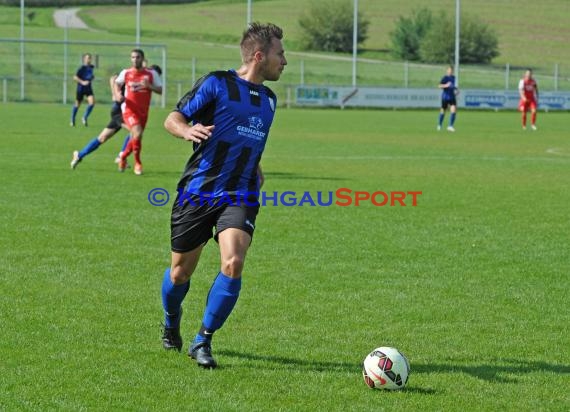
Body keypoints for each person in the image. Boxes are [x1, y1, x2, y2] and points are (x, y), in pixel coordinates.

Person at [160, 22, 286, 369]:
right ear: (259, 56)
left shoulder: (270, 101)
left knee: (233, 260)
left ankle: (203, 340)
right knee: (179, 274)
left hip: (240, 193)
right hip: (199, 192)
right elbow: (172, 118)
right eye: (280, 53)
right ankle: (171, 320)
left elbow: (252, 141)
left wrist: (256, 167)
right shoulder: (217, 83)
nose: (284, 61)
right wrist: (186, 129)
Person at [115, 49, 163, 175]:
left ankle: (123, 157)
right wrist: (117, 94)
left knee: (137, 136)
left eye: (137, 57)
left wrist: (149, 86)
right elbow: (117, 83)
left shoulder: (151, 74)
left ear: (142, 58)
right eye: (133, 57)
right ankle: (138, 163)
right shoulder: (126, 73)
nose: (135, 59)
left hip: (143, 111)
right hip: (129, 109)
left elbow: (160, 90)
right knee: (137, 132)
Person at [70, 53, 96, 127]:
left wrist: (92, 78)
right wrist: (82, 82)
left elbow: (89, 76)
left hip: (88, 88)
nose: (89, 59)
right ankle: (72, 119)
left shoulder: (91, 67)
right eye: (87, 58)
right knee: (77, 104)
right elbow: (75, 77)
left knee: (92, 103)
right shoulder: (82, 68)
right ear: (84, 59)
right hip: (81, 89)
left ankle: (84, 117)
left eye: (90, 58)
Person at [437, 66, 458, 132]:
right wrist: (446, 85)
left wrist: (457, 90)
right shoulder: (445, 78)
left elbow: (453, 86)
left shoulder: (454, 78)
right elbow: (439, 86)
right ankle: (439, 125)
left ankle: (450, 126)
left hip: (452, 97)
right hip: (445, 97)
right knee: (443, 112)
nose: (450, 71)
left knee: (453, 110)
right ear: (447, 71)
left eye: (452, 70)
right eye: (449, 70)